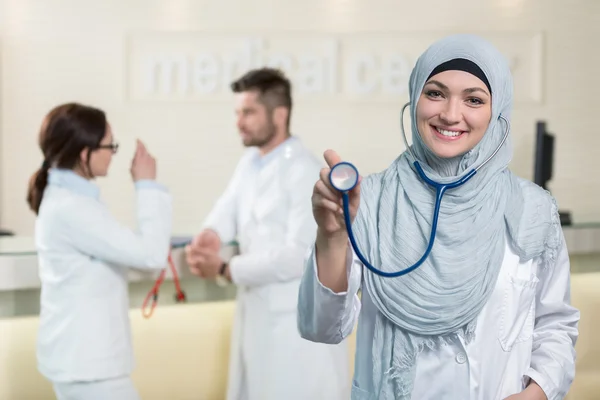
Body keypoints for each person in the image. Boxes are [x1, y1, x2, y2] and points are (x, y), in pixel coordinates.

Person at [297, 34, 580, 400]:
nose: (449, 114)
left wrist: (537, 393)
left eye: (474, 100)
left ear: (498, 113)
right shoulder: (367, 201)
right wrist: (332, 234)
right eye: (435, 93)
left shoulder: (533, 210)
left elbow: (556, 325)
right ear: (414, 99)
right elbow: (321, 328)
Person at [185, 68, 351, 400]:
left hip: (294, 325)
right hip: (258, 315)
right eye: (237, 112)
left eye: (248, 112)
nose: (239, 121)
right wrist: (210, 235)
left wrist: (224, 269)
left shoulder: (304, 170)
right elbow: (227, 207)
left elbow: (296, 255)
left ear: (279, 114)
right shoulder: (250, 162)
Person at [27, 103, 172, 400]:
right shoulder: (72, 208)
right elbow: (151, 256)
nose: (113, 154)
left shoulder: (72, 201)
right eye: (110, 146)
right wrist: (146, 184)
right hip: (89, 368)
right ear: (84, 153)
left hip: (84, 363)